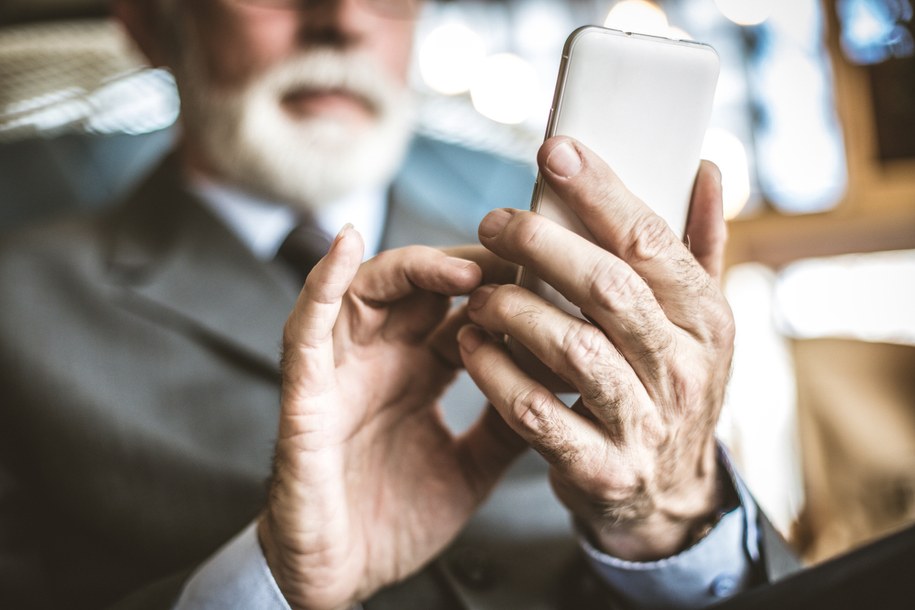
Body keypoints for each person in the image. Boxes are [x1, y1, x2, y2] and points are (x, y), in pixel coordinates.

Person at [0, 0, 798, 608]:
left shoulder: (560, 273)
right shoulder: (21, 302)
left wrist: (674, 521)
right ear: (149, 26)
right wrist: (273, 578)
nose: (341, 21)